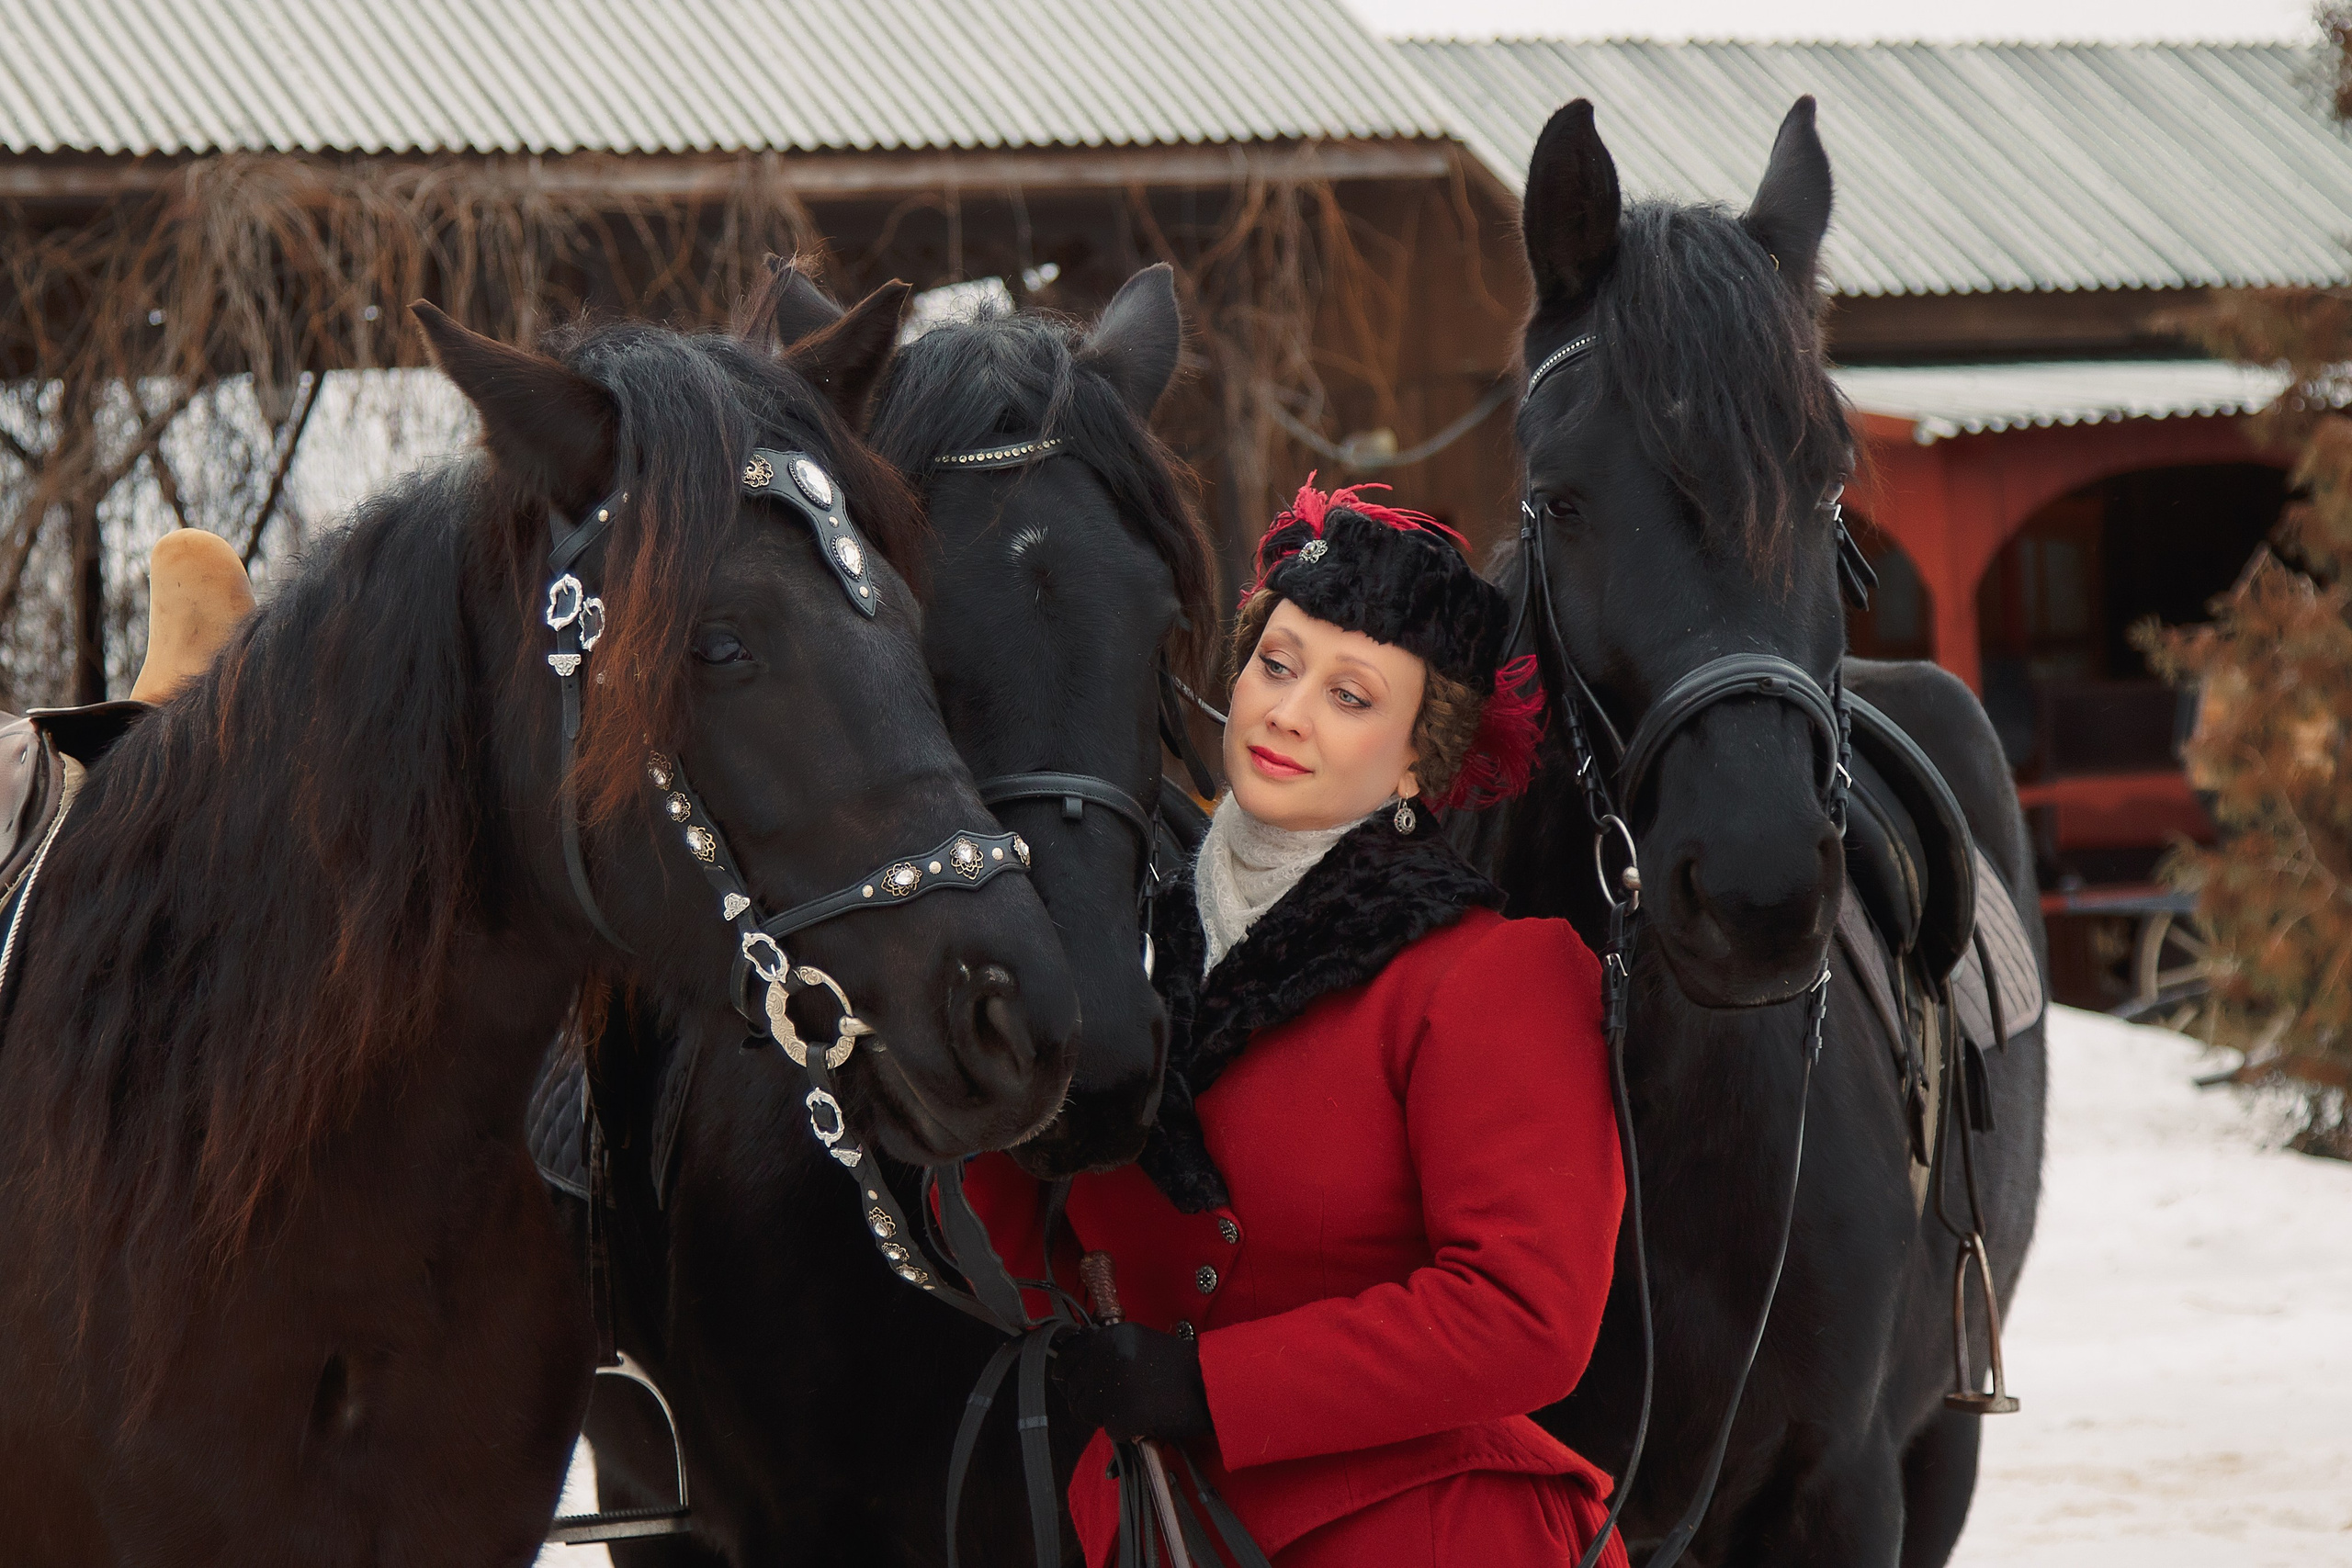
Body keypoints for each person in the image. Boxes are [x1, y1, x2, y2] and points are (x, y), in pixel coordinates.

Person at [965, 480, 1629, 1568]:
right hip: (1149, 1531)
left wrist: (1206, 1386)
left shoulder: (1493, 978)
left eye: (1351, 696)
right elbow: (1040, 1252)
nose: (1287, 711)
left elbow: (1525, 1315)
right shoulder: (1119, 953)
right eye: (1276, 665)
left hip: (1427, 1535)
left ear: (1421, 759)